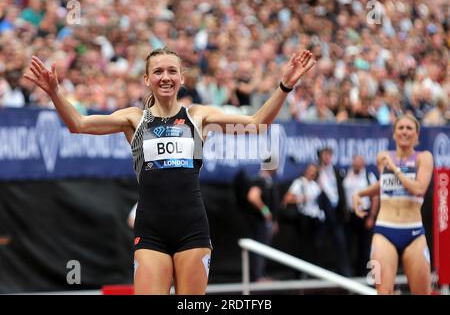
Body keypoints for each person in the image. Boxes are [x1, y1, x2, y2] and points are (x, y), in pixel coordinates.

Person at [24, 47, 316, 294]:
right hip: (151, 230)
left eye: (172, 71)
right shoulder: (133, 119)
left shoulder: (198, 116)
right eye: (158, 71)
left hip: (192, 228)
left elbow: (255, 124)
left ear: (181, 78)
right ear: (147, 79)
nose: (166, 77)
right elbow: (79, 124)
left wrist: (285, 86)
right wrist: (55, 92)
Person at [352, 114, 434, 295]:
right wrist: (360, 193)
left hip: (413, 232)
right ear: (394, 134)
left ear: (417, 136)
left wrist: (395, 168)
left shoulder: (424, 158)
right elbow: (384, 184)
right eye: (401, 128)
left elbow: (419, 188)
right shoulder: (383, 157)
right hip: (385, 231)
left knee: (422, 292)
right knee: (384, 291)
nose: (405, 131)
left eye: (409, 128)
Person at [317, 147, 351, 276]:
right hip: (321, 215)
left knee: (341, 244)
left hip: (337, 215)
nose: (326, 157)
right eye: (324, 155)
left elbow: (343, 192)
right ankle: (319, 274)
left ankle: (344, 273)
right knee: (319, 245)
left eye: (328, 155)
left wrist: (345, 209)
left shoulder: (338, 172)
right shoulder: (317, 172)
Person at [282, 163, 325, 269]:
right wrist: (301, 198)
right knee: (303, 247)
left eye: (314, 171)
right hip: (304, 218)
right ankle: (301, 271)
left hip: (316, 219)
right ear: (306, 171)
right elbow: (287, 199)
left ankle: (314, 270)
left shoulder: (315, 185)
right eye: (310, 170)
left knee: (316, 246)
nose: (312, 173)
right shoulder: (299, 183)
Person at [342, 154, 379, 276]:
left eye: (359, 163)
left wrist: (372, 217)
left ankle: (363, 273)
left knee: (364, 246)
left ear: (363, 164)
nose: (357, 165)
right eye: (355, 162)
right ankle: (349, 273)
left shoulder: (369, 177)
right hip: (350, 215)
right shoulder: (345, 175)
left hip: (364, 214)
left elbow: (375, 197)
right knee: (348, 245)